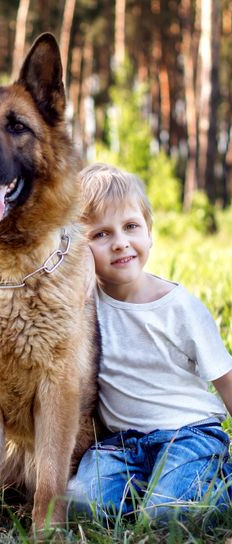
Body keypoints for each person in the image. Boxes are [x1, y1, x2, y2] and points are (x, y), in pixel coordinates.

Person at [68, 163, 232, 522]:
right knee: (82, 504)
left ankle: (213, 480)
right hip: (120, 446)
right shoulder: (85, 306)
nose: (120, 242)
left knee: (169, 513)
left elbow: (226, 382)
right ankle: (152, 486)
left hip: (188, 435)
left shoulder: (180, 307)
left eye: (130, 227)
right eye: (100, 235)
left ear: (149, 232)